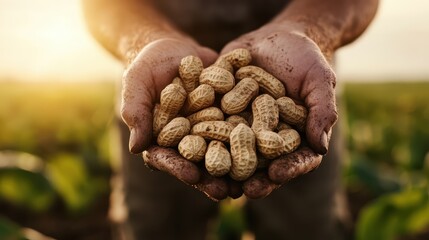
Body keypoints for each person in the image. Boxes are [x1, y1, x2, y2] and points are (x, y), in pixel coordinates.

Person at [82, 0, 379, 239]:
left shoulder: (273, 101)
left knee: (306, 227)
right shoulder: (181, 103)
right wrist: (143, 40)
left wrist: (309, 30)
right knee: (154, 227)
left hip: (296, 71)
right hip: (159, 74)